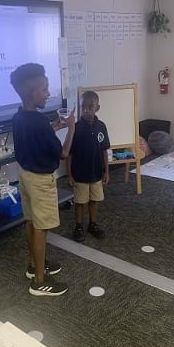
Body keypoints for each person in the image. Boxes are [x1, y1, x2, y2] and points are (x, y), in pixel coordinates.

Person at [11, 63, 75, 296]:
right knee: (42, 228)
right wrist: (70, 128)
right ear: (32, 92)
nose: (48, 93)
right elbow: (63, 154)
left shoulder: (20, 116)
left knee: (31, 223)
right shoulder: (38, 122)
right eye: (45, 89)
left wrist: (53, 126)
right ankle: (39, 281)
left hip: (25, 177)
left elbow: (37, 132)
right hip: (41, 182)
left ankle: (33, 265)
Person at [67, 90, 110, 242]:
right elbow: (69, 153)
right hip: (80, 174)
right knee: (80, 202)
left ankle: (92, 224)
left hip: (96, 173)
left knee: (94, 200)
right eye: (83, 107)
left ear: (97, 108)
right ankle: (78, 226)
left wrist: (106, 172)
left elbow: (104, 151)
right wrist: (69, 174)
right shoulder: (76, 128)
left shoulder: (101, 127)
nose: (86, 110)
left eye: (90, 107)